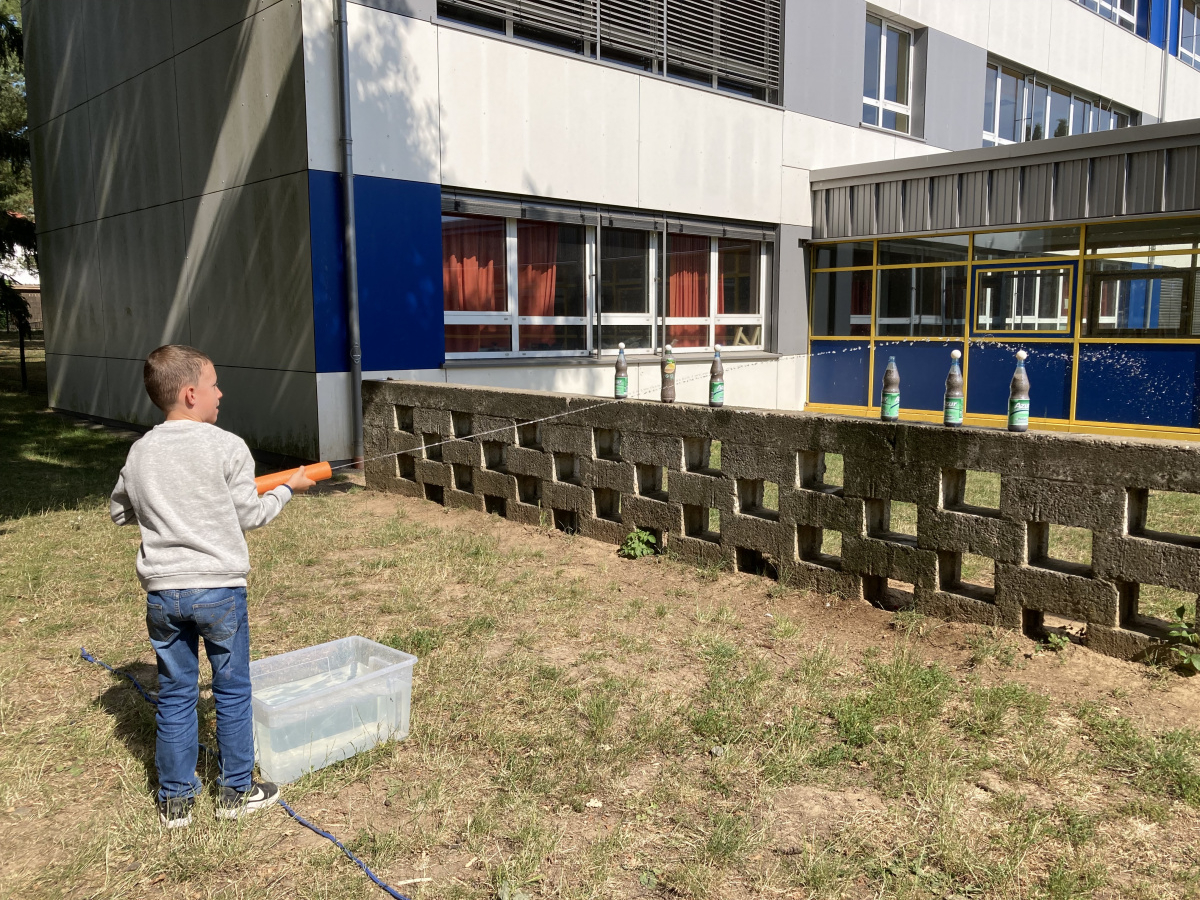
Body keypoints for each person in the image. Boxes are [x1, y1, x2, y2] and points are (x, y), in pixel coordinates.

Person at [110, 345, 315, 828]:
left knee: (176, 693)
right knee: (232, 689)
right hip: (219, 591)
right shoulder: (228, 446)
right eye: (214, 384)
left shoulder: (140, 451)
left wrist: (164, 507)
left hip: (164, 595)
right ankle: (236, 792)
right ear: (190, 393)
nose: (220, 393)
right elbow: (251, 514)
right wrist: (288, 488)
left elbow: (119, 511)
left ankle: (175, 801)